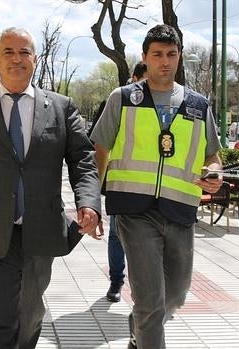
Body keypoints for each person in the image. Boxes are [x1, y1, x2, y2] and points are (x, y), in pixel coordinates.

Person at [0, 27, 101, 349]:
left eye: (24, 52)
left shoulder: (61, 107)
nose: (17, 58)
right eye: (8, 52)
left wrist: (89, 202)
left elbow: (82, 159)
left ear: (35, 60)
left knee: (30, 313)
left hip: (42, 228)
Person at [90, 24, 223, 349]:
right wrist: (92, 202)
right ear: (145, 58)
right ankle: (146, 329)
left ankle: (139, 329)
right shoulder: (122, 99)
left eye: (171, 54)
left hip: (180, 212)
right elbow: (100, 150)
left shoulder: (197, 105)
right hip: (133, 212)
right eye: (157, 54)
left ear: (179, 58)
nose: (165, 61)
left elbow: (213, 155)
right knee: (150, 301)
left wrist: (215, 174)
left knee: (174, 296)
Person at [105, 61, 148, 303]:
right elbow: (100, 146)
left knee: (145, 242)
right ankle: (116, 282)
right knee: (116, 237)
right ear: (134, 78)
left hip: (151, 189)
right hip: (121, 186)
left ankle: (142, 290)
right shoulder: (117, 102)